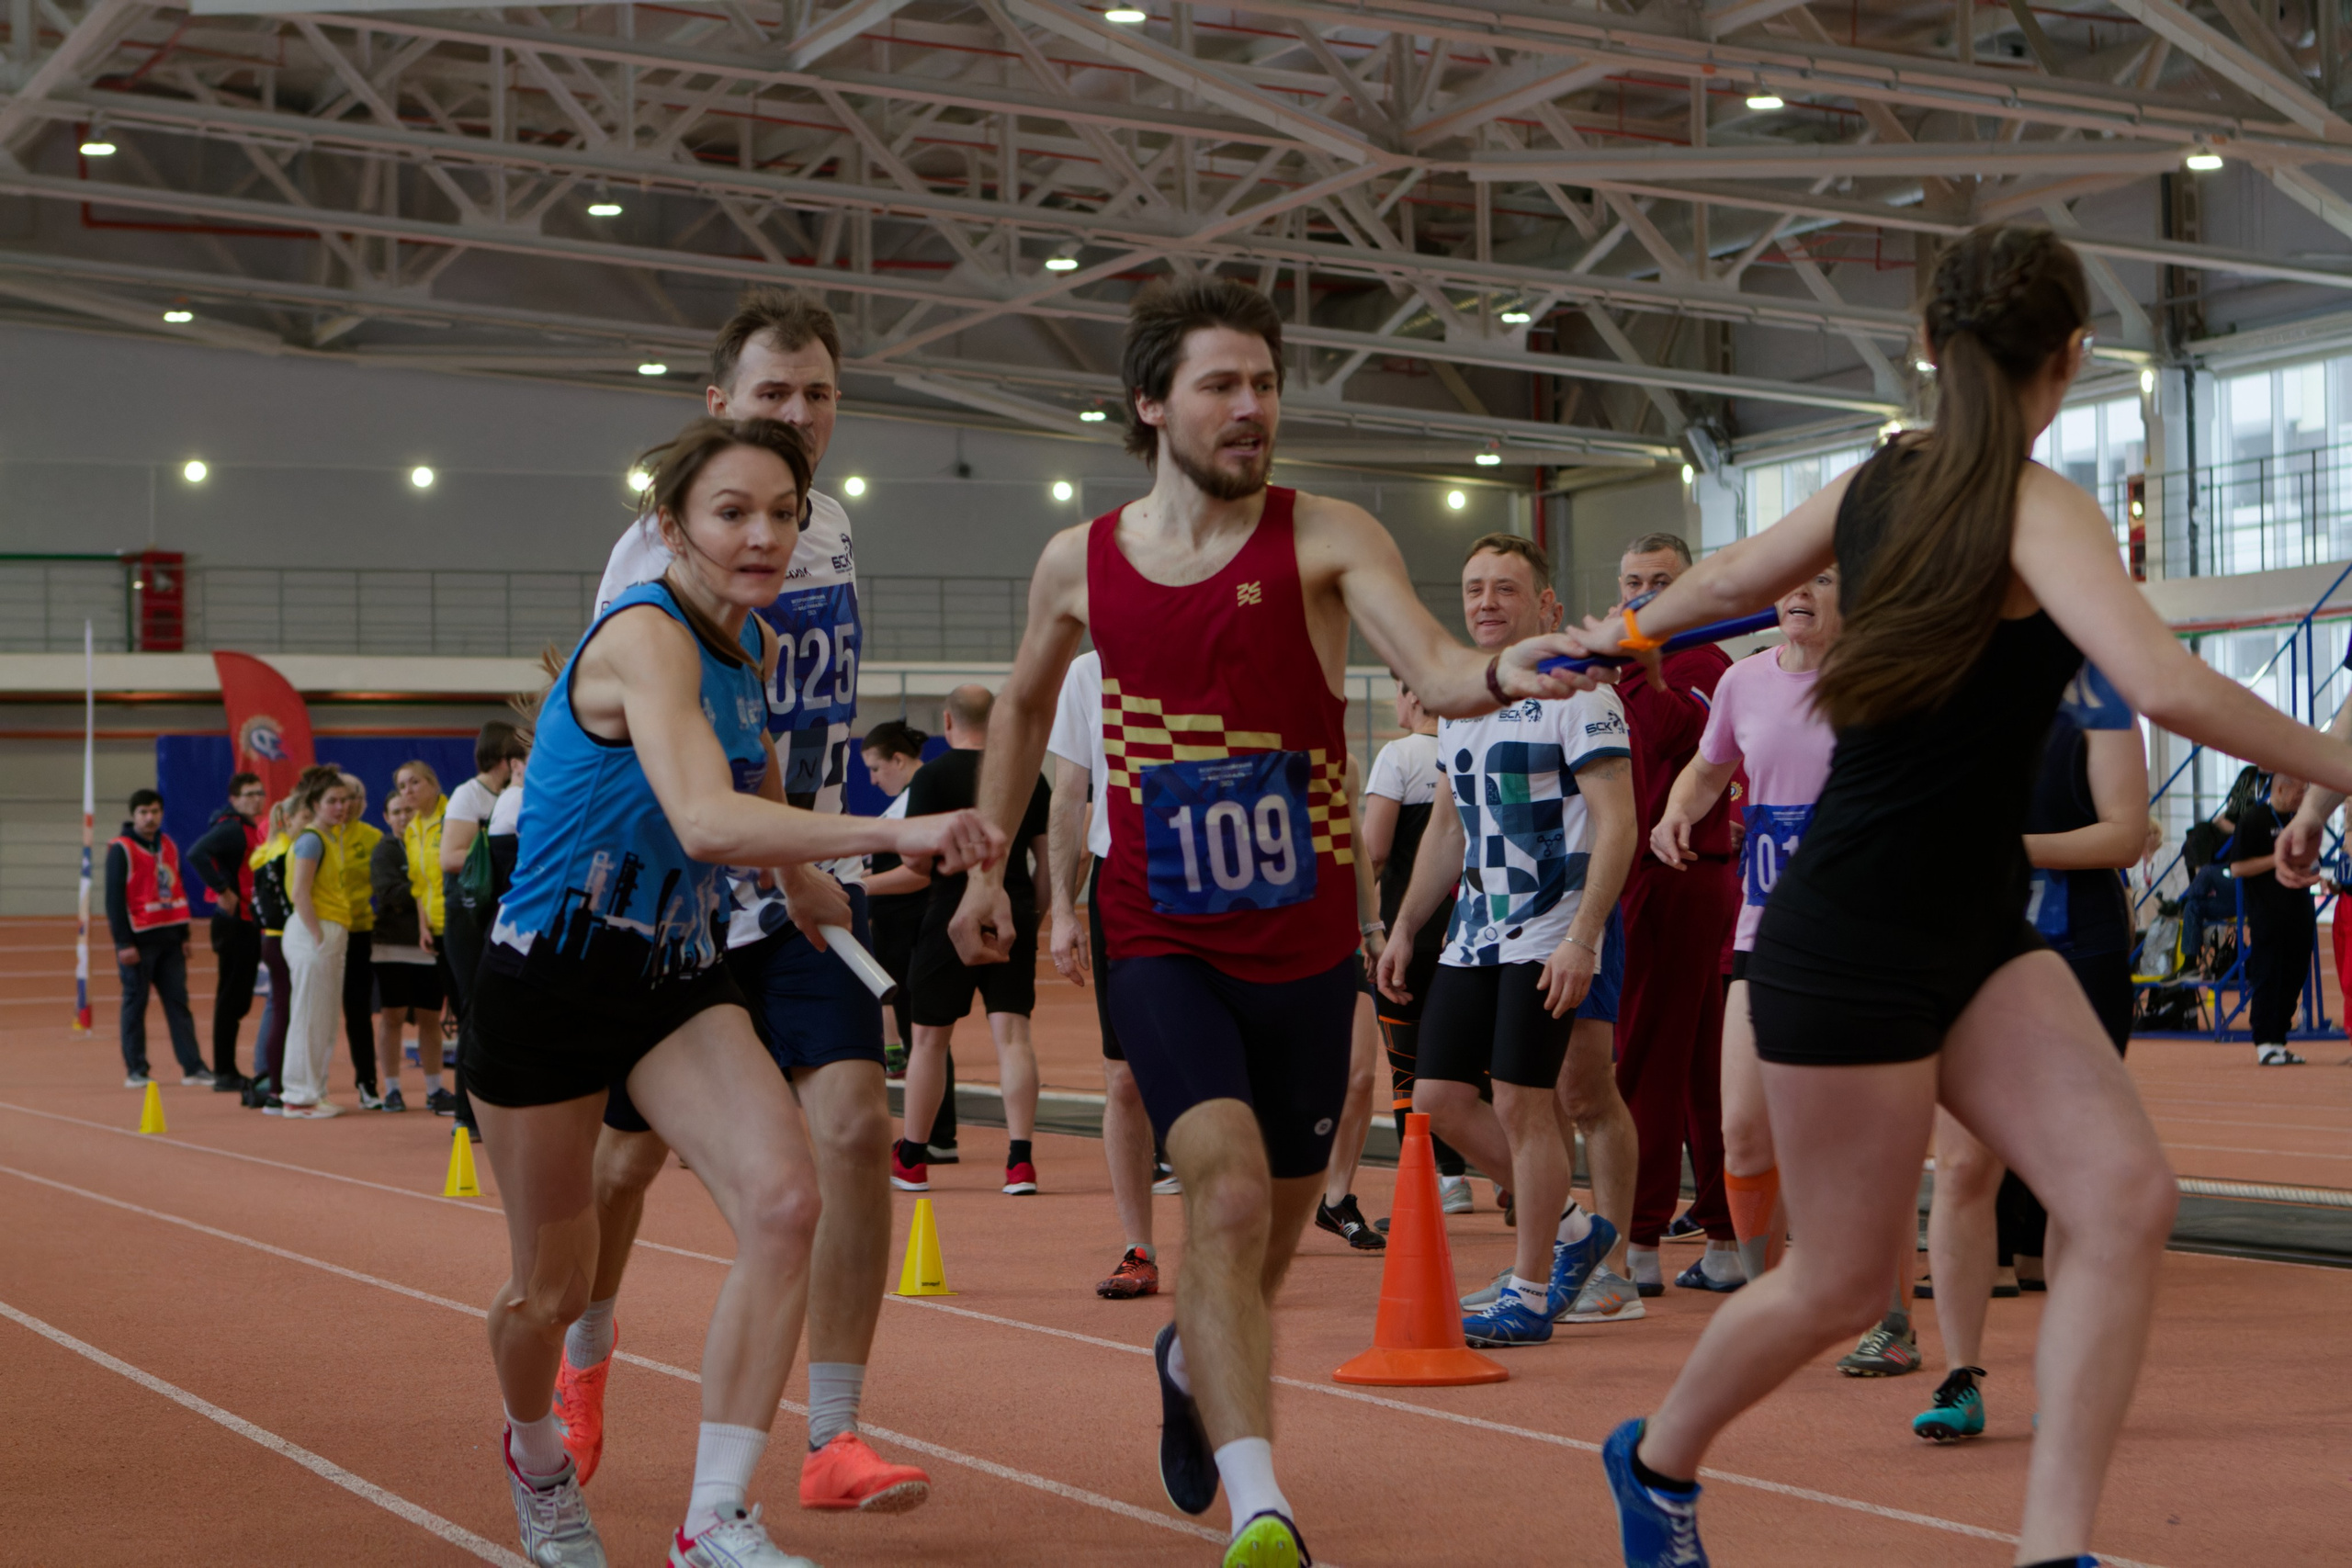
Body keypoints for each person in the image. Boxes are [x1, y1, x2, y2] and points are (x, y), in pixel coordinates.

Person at [1551, 222, 2352, 1568]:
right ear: (2073, 358)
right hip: (1853, 928)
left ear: (1926, 346)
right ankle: (1655, 1459)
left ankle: (2052, 1546)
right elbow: (2162, 684)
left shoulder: (1890, 483)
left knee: (2121, 1193)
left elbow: (1728, 577)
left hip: (1976, 926)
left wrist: (1620, 628)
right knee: (1839, 1282)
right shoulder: (2022, 503)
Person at [944, 277, 1589, 1567]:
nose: (1252, 407)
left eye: (1267, 384)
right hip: (1161, 930)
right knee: (1226, 1192)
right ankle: (1261, 1505)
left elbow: (1434, 666)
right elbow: (1019, 707)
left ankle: (1192, 1356)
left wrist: (1505, 669)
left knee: (1266, 1238)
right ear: (1150, 403)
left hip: (1300, 944)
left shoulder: (1326, 534)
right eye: (1221, 385)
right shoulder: (1081, 560)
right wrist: (989, 872)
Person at [465, 414, 999, 1568]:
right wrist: (894, 831)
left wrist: (801, 880)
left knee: (786, 1201)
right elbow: (707, 820)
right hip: (548, 985)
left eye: (783, 514)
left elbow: (750, 773)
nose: (763, 535)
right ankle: (535, 1454)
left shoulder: (744, 647)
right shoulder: (644, 637)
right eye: (732, 512)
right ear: (671, 527)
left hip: (669, 976)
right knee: (548, 1290)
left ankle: (712, 1517)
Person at [558, 293, 940, 1523]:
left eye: (820, 392)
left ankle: (833, 1433)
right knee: (624, 1162)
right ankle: (585, 1353)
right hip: (679, 892)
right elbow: (652, 740)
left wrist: (806, 859)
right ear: (718, 403)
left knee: (856, 1127)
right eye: (774, 392)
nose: (801, 413)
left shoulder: (831, 526)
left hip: (800, 878)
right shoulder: (650, 554)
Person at [1382, 534, 1640, 1346]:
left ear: (1546, 604)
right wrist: (1406, 924)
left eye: (1505, 588)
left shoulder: (1581, 693)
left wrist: (1584, 938)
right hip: (1474, 931)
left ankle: (1529, 1292)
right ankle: (1573, 1232)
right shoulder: (1463, 697)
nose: (1486, 602)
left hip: (1551, 927)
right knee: (1438, 1099)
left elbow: (1619, 823)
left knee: (1528, 1103)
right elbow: (1448, 827)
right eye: (1474, 588)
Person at [1913, 661, 2149, 1443]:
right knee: (1964, 1166)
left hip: (2076, 950)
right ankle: (1961, 1374)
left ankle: (2066, 1378)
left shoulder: (2100, 699)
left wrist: (2003, 847)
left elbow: (2124, 833)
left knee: (2072, 1178)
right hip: (1969, 948)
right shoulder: (1949, 690)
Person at [1650, 566, 1842, 1304]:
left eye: (1822, 579)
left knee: (1846, 1137)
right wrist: (1677, 811)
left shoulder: (1884, 680)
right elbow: (1707, 770)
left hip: (1856, 937)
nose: (1800, 593)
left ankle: (1885, 1316)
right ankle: (1772, 1300)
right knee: (1745, 1129)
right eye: (1790, 580)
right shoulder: (1744, 681)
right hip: (1765, 930)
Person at [1610, 533, 1742, 1299]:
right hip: (1650, 879)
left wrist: (1632, 659)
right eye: (1633, 581)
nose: (1645, 594)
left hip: (1677, 878)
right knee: (1695, 1067)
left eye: (1662, 581)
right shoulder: (1629, 666)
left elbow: (1668, 735)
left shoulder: (1704, 666)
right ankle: (1723, 1235)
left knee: (1648, 1059)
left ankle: (1637, 1238)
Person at [1045, 649, 1177, 1296]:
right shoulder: (1088, 672)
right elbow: (1069, 795)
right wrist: (1061, 910)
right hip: (1122, 883)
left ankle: (1232, 1239)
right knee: (1124, 1077)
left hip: (1212, 876)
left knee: (1217, 1064)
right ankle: (1138, 1248)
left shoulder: (1216, 641)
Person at [894, 682, 1050, 1196]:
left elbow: (915, 861)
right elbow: (1047, 861)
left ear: (947, 721)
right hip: (1013, 908)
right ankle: (1020, 1162)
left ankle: (913, 1158)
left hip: (948, 911)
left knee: (928, 1040)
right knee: (1014, 1035)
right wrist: (1032, 914)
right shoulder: (1029, 776)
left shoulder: (932, 776)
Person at [1360, 683, 1474, 1214]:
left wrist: (1368, 927)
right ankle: (1503, 1178)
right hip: (1468, 932)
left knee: (1409, 1068)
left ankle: (1439, 1181)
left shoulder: (1398, 756)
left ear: (1412, 697)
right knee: (1472, 1061)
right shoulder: (1472, 745)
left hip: (1407, 936)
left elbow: (1375, 852)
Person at [1315, 755, 1390, 1252]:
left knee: (1360, 1076)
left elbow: (1357, 848)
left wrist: (1372, 928)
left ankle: (1337, 1199)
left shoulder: (1342, 762)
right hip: (1273, 936)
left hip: (1338, 932)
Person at [105, 787, 209, 1089]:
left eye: (154, 811)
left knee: (179, 1004)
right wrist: (123, 943)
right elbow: (114, 899)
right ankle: (136, 1069)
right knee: (135, 1005)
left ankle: (193, 1067)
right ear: (134, 815)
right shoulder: (122, 849)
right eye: (143, 812)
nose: (149, 818)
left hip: (171, 939)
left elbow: (178, 889)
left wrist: (184, 935)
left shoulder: (168, 845)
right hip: (139, 941)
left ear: (162, 813)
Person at [187, 771, 267, 1092]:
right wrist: (223, 890)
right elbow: (196, 853)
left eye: (260, 793)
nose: (256, 799)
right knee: (231, 999)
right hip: (234, 923)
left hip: (244, 921)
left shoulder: (246, 828)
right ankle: (225, 1071)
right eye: (249, 794)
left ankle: (227, 1069)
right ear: (234, 799)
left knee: (236, 998)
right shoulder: (232, 828)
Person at [439, 721, 529, 1010]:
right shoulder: (469, 793)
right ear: (506, 756)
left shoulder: (510, 794)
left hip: (493, 907)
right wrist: (498, 856)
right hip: (467, 909)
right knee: (474, 1003)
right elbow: (449, 857)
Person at [2228, 775, 2317, 1066]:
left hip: (2299, 910)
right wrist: (2276, 860)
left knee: (2294, 975)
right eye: (2300, 791)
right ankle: (2264, 1041)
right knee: (2268, 976)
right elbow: (2237, 868)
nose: (2303, 797)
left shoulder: (2299, 819)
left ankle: (2279, 1040)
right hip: (2268, 913)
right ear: (2280, 788)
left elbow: (2310, 859)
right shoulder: (2253, 820)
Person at [860, 720, 932, 1077]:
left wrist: (860, 886)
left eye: (875, 769)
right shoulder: (907, 800)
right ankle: (894, 1050)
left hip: (909, 931)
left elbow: (920, 874)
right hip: (896, 931)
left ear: (898, 760)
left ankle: (896, 1054)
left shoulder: (918, 798)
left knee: (918, 1025)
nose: (873, 780)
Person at [280, 766, 353, 1119]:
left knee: (323, 1019)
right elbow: (300, 892)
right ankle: (299, 1096)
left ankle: (314, 1090)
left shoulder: (329, 838)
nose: (341, 807)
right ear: (315, 804)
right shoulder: (312, 840)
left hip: (327, 930)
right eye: (332, 801)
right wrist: (318, 935)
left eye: (345, 800)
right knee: (309, 1017)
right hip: (314, 933)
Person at [395, 760, 460, 1116]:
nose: (408, 791)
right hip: (435, 929)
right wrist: (423, 926)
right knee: (453, 1009)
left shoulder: (454, 815)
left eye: (414, 782)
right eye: (402, 786)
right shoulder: (412, 829)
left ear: (433, 783)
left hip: (461, 923)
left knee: (468, 1009)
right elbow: (419, 886)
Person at [371, 794, 441, 1111]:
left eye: (409, 810)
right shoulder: (385, 850)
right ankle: (392, 1090)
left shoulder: (430, 841)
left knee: (430, 1017)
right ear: (387, 817)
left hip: (429, 945)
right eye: (396, 811)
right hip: (392, 946)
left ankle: (435, 1088)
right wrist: (425, 889)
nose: (403, 816)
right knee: (393, 1016)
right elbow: (389, 893)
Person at [243, 796, 297, 1110]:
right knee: (282, 1007)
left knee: (277, 1004)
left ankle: (270, 1073)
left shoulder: (267, 851)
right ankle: (273, 1078)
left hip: (272, 938)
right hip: (285, 938)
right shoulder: (286, 851)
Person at [336, 773, 384, 1109]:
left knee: (358, 1011)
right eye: (340, 797)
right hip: (322, 934)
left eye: (354, 797)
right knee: (315, 1012)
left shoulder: (372, 838)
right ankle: (297, 1083)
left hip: (359, 932)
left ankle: (367, 1083)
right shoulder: (315, 835)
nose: (347, 804)